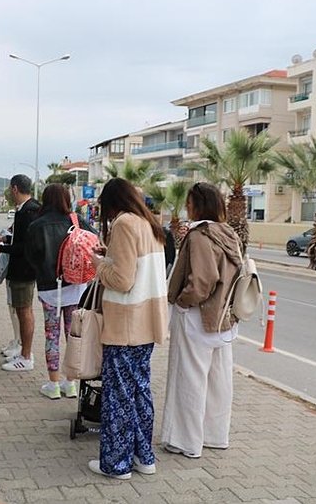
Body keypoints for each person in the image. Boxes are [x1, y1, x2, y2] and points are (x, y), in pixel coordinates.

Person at [88, 177, 168, 479]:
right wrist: (109, 254)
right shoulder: (150, 224)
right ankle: (143, 456)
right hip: (148, 321)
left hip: (126, 324)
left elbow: (122, 280)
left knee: (118, 396)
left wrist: (98, 263)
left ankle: (116, 464)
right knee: (140, 391)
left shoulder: (123, 224)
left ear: (112, 203)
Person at [161, 182, 241, 459]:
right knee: (219, 381)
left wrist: (182, 302)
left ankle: (186, 442)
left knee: (190, 379)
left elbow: (202, 282)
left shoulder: (199, 236)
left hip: (197, 317)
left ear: (198, 205)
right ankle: (215, 436)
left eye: (190, 202)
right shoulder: (229, 233)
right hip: (223, 319)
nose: (187, 207)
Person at [26, 183, 97, 399]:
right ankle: (71, 383)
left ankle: (53, 384)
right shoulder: (75, 220)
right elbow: (94, 241)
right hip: (75, 287)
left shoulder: (37, 225)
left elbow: (30, 258)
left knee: (52, 335)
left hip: (49, 289)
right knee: (73, 335)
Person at [0, 174, 40, 371]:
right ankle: (22, 350)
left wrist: (0, 249)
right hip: (20, 269)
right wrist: (3, 240)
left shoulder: (29, 211)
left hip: (24, 270)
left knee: (25, 311)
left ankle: (26, 356)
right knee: (20, 310)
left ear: (15, 189)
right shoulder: (26, 209)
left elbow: (24, 246)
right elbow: (18, 239)